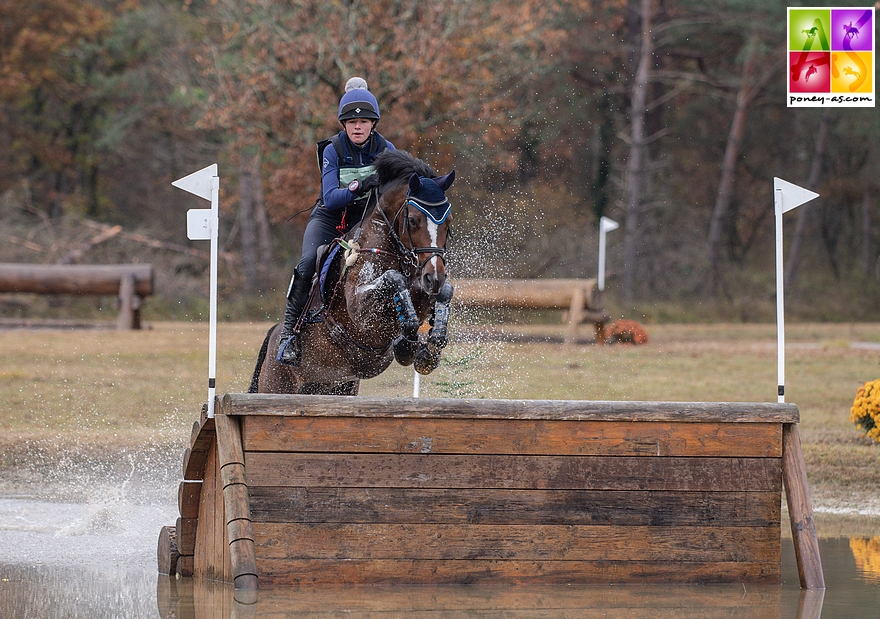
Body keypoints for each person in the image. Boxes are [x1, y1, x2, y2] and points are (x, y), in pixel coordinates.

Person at [277, 77, 395, 365]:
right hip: (330, 217)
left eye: (365, 121)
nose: (358, 127)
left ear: (373, 124)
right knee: (307, 263)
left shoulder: (386, 149)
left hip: (366, 219)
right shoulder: (332, 150)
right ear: (343, 124)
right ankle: (289, 335)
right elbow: (330, 198)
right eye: (352, 122)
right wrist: (359, 186)